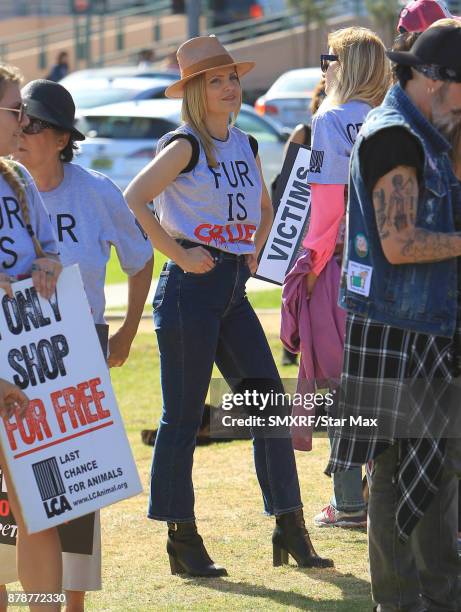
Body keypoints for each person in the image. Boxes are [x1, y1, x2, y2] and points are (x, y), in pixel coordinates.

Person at [125, 34, 334, 577]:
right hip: (188, 292)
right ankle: (182, 538)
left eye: (232, 78)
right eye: (214, 80)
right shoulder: (185, 144)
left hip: (230, 292)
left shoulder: (245, 142)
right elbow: (135, 198)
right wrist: (180, 252)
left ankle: (291, 527)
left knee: (269, 404)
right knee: (185, 417)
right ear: (195, 92)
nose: (228, 87)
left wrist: (256, 248)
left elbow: (264, 204)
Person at [1, 79, 153, 612]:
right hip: (12, 349)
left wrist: (128, 331)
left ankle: (69, 607)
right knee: (9, 494)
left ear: (64, 137)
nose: (24, 130)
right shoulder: (11, 186)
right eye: (20, 117)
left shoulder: (95, 192)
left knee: (73, 491)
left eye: (35, 123)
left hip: (79, 349)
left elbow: (140, 260)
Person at [326, 24, 461, 610]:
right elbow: (400, 243)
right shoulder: (392, 136)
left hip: (430, 326)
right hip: (395, 328)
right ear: (436, 81)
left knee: (439, 467)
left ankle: (440, 594)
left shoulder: (431, 132)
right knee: (395, 470)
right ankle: (401, 601)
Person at [283, 27, 390, 528]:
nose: (324, 66)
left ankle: (349, 501)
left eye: (330, 57)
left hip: (340, 263)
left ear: (346, 65)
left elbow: (326, 207)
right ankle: (382, 493)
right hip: (392, 263)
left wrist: (308, 266)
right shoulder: (393, 117)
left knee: (338, 384)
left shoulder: (329, 119)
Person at [0, 63, 63, 612]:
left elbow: (49, 249)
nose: (24, 121)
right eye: (15, 109)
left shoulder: (17, 181)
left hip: (26, 369)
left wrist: (46, 265)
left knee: (39, 509)